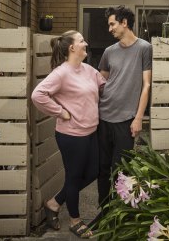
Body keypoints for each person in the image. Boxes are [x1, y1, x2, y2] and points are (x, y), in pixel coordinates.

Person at [31, 30, 106, 239]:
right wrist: (60, 112)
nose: (86, 43)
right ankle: (75, 220)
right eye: (82, 41)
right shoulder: (61, 73)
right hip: (71, 135)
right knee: (73, 177)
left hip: (91, 131)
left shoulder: (88, 69)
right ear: (72, 48)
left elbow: (103, 87)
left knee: (92, 172)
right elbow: (38, 95)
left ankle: (54, 202)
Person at [94, 5, 153, 221]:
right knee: (102, 169)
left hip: (126, 119)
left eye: (112, 24)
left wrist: (138, 118)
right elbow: (100, 83)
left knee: (122, 169)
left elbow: (146, 85)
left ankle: (122, 216)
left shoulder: (144, 48)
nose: (109, 28)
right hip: (103, 116)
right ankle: (105, 214)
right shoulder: (109, 52)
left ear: (124, 23)